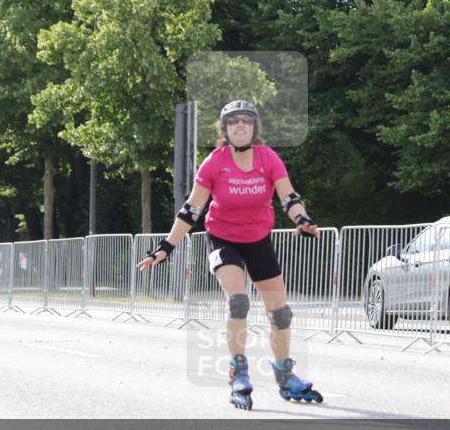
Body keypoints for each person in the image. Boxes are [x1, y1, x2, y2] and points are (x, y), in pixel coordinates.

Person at [136, 100, 323, 410]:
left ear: (254, 128)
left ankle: (285, 375)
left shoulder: (268, 158)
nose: (240, 126)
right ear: (224, 129)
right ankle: (238, 371)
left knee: (280, 312)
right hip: (223, 238)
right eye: (233, 121)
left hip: (258, 239)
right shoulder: (214, 162)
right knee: (238, 302)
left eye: (246, 121)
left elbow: (289, 197)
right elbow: (191, 210)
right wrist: (166, 248)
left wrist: (302, 220)